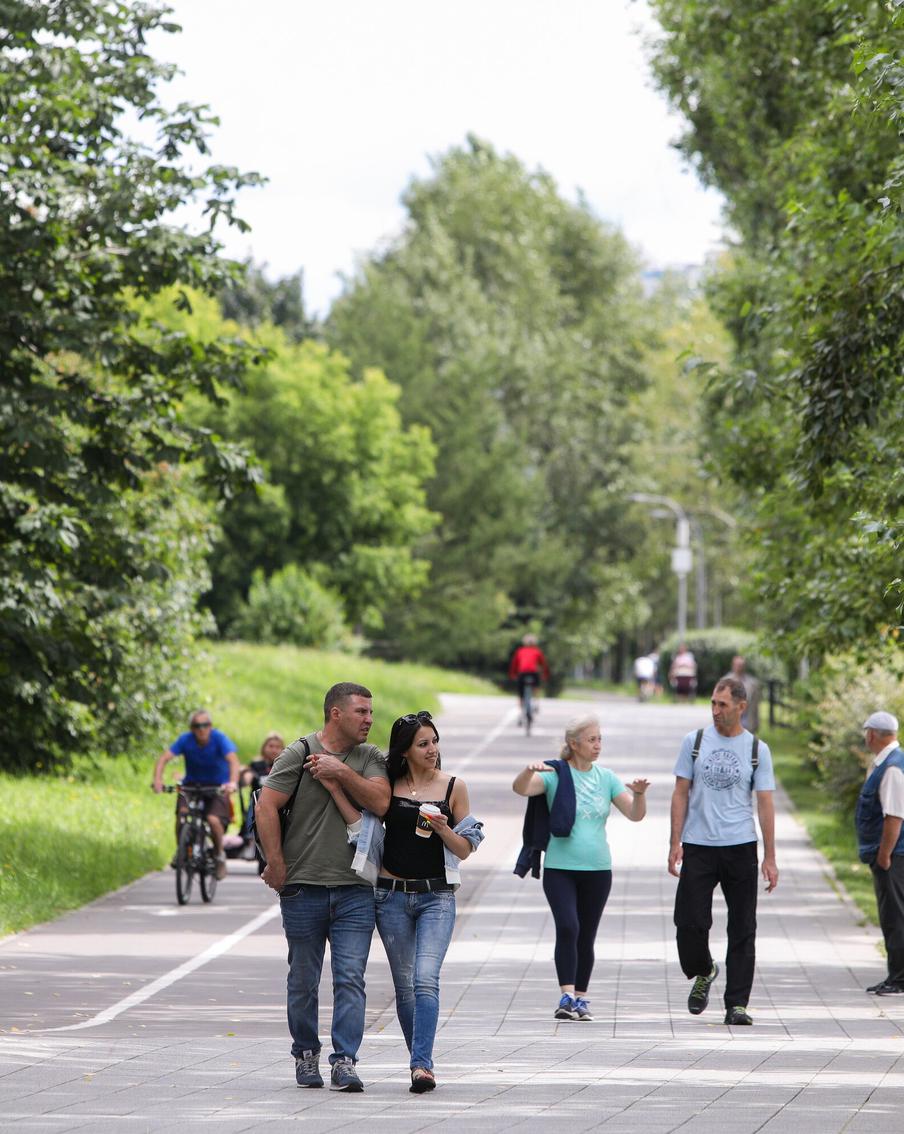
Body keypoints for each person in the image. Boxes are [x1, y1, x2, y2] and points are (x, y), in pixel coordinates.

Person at [255, 683, 391, 1093]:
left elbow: (382, 804)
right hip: (303, 887)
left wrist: (340, 772)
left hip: (354, 889)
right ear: (336, 714)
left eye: (370, 712)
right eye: (361, 712)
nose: (369, 719)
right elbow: (267, 806)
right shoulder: (298, 753)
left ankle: (345, 1060)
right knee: (303, 979)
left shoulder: (370, 757)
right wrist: (276, 864)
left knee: (350, 977)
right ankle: (305, 1054)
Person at [338, 710, 482, 1093]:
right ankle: (418, 1061)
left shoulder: (454, 787)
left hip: (436, 897)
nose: (432, 749)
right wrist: (337, 786)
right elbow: (363, 821)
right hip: (391, 897)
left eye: (435, 741)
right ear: (405, 751)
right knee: (405, 986)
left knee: (425, 980)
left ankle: (422, 1065)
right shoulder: (390, 784)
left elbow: (465, 849)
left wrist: (442, 828)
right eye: (423, 744)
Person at [512, 715, 649, 1022]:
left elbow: (634, 814)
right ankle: (566, 994)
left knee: (586, 934)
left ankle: (582, 999)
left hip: (598, 869)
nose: (597, 745)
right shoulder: (555, 774)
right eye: (591, 740)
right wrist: (527, 770)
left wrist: (639, 795)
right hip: (560, 868)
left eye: (600, 739)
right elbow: (521, 789)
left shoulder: (607, 778)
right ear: (573, 744)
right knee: (568, 926)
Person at [668, 678, 778, 1026]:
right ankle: (704, 969)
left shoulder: (757, 749)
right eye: (713, 704)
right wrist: (675, 842)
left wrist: (770, 856)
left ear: (741, 707)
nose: (716, 711)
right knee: (689, 922)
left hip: (740, 846)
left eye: (723, 705)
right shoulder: (694, 742)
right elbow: (680, 792)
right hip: (699, 845)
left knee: (743, 926)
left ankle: (737, 1004)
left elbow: (765, 804)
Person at [152, 710, 240, 880]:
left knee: (213, 820)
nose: (201, 729)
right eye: (197, 726)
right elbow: (164, 759)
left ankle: (219, 856)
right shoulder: (185, 740)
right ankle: (181, 851)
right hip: (191, 785)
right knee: (182, 816)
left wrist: (232, 783)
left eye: (205, 725)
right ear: (191, 728)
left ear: (210, 726)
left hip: (217, 787)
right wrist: (157, 781)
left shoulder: (219, 739)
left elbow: (233, 761)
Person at [856, 711, 904, 996]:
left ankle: (899, 978)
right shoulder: (886, 763)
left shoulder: (893, 768)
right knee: (891, 914)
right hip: (889, 853)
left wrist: (884, 855)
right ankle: (895, 975)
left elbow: (894, 817)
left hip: (893, 855)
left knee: (894, 915)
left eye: (866, 733)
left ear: (872, 734)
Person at [508, 633, 551, 721]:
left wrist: (512, 674)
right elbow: (544, 664)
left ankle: (520, 713)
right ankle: (536, 703)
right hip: (533, 673)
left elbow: (514, 664)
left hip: (522, 674)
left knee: (520, 694)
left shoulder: (520, 651)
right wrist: (545, 674)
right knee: (536, 687)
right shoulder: (537, 651)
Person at [723, 655, 760, 732]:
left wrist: (756, 723)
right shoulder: (725, 682)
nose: (740, 667)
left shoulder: (752, 683)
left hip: (746, 719)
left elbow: (755, 706)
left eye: (742, 665)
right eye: (738, 665)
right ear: (733, 666)